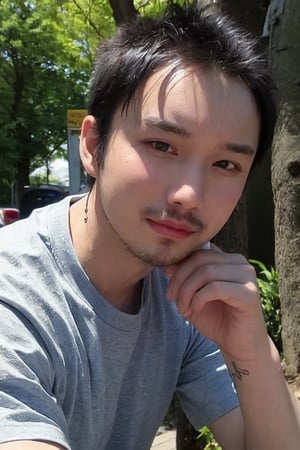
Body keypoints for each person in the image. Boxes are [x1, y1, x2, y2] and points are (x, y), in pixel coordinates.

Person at [0, 4, 299, 450]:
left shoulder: (186, 291)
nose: (189, 195)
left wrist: (253, 349)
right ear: (93, 145)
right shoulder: (15, 297)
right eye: (162, 145)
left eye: (225, 163)